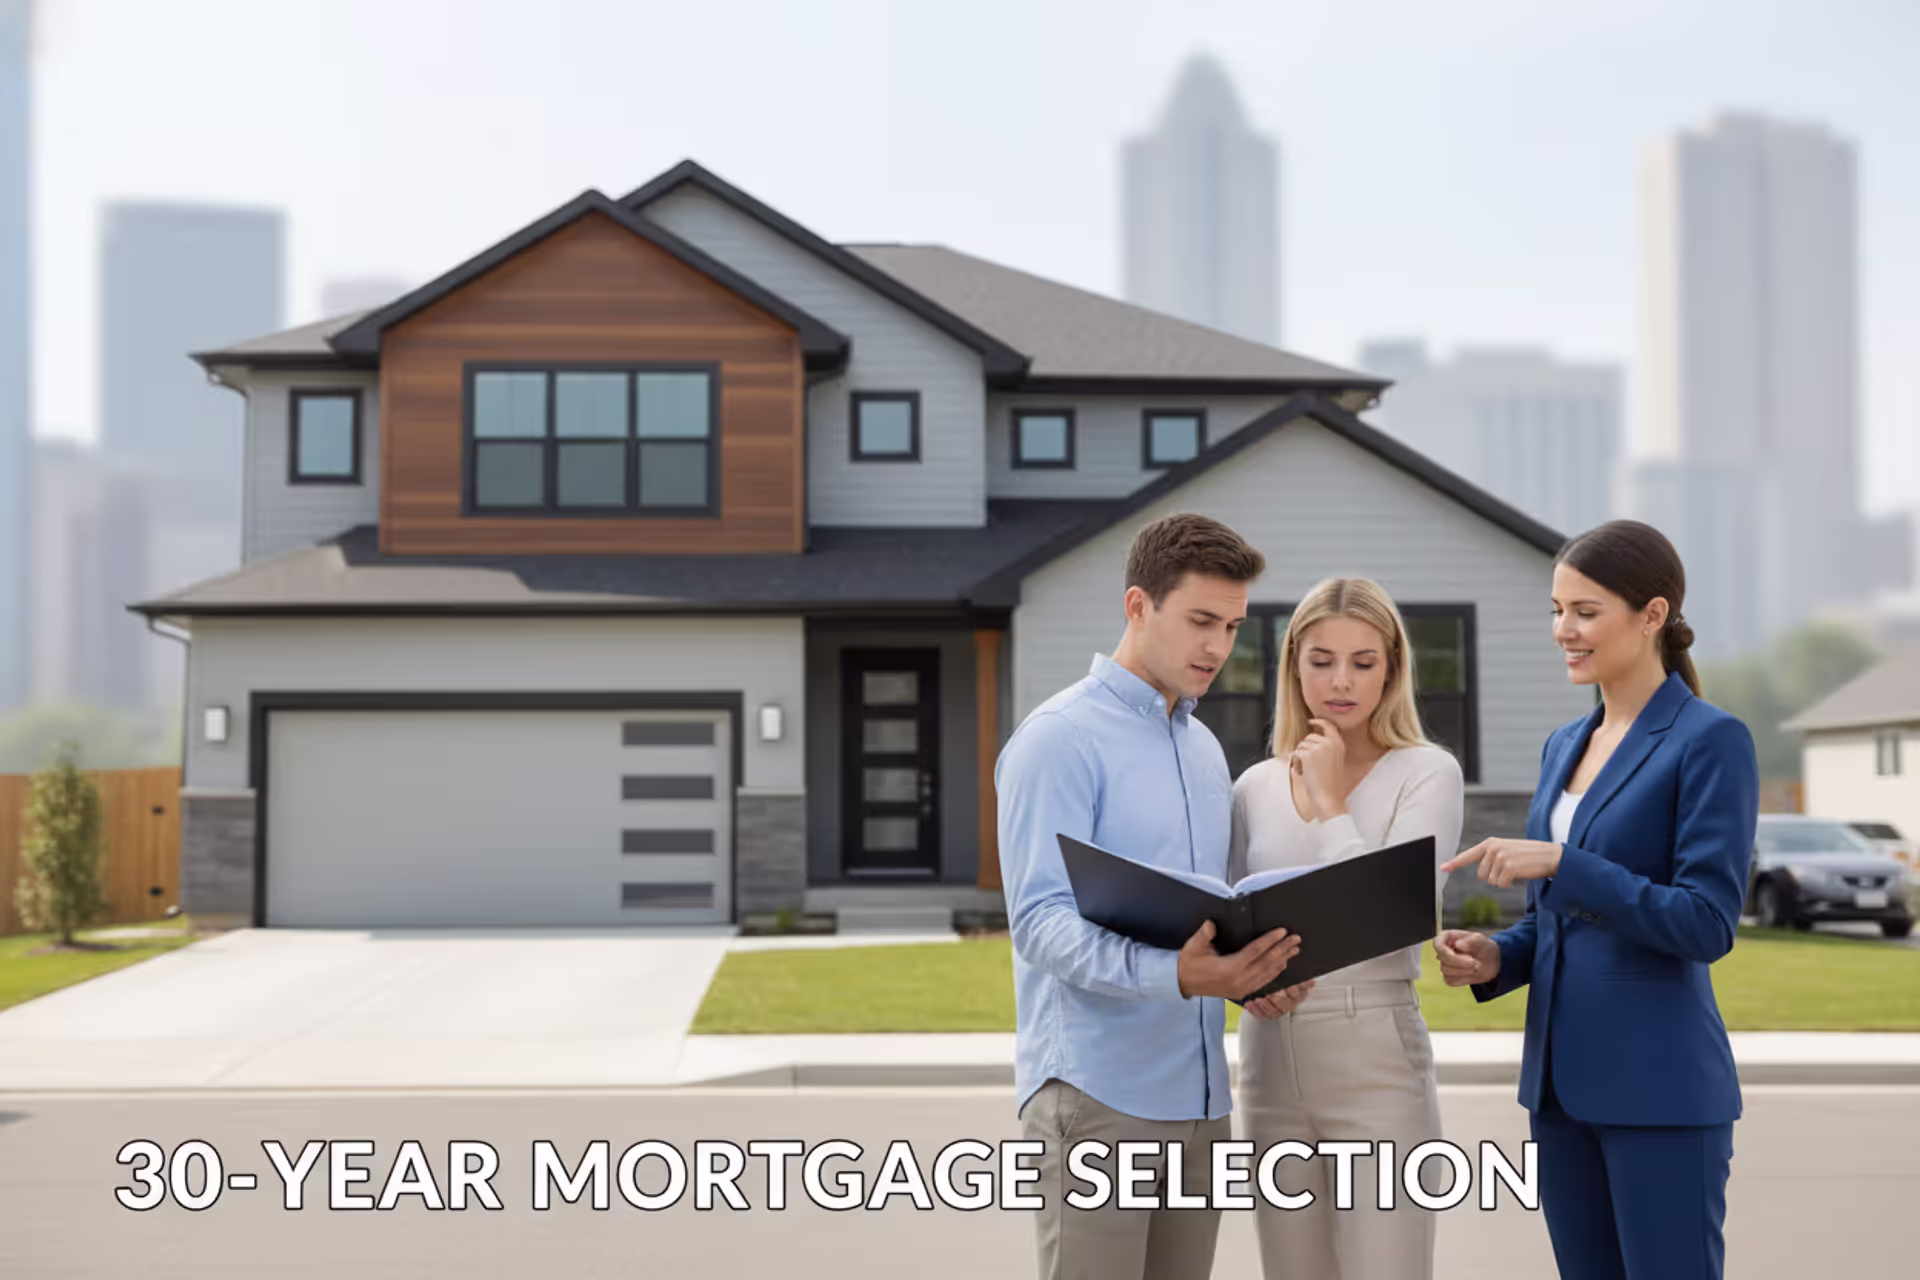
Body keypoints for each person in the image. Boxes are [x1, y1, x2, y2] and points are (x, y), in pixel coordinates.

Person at [1433, 519, 1758, 1280]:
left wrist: (1564, 861)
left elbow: (1706, 923)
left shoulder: (1710, 740)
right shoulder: (1561, 745)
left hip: (1661, 1092)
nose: (1563, 630)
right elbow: (1556, 922)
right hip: (1557, 1090)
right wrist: (1496, 958)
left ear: (1652, 615)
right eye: (1555, 610)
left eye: (1584, 611)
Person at [996, 512, 1311, 1280]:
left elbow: (1204, 914)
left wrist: (1251, 974)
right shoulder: (1057, 739)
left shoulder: (1202, 747)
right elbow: (1039, 924)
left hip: (1202, 1101)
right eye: (1201, 621)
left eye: (1233, 626)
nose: (1218, 648)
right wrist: (1176, 975)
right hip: (1098, 1096)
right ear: (1139, 607)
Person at [1230, 577, 1463, 1280]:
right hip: (1269, 1057)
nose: (1340, 681)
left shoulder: (1427, 772)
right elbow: (1234, 919)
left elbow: (1393, 915)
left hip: (1376, 1056)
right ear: (1292, 664)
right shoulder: (1254, 787)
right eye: (1321, 660)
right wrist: (1246, 988)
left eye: (1363, 662)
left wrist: (1332, 802)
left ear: (1391, 668)